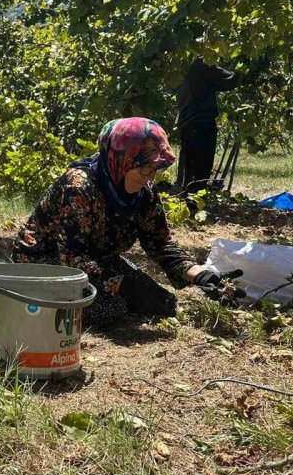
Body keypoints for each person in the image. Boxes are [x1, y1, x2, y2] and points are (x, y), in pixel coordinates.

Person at [13, 118, 242, 328]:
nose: (150, 176)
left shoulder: (144, 191)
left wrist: (199, 274)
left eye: (155, 169)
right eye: (144, 168)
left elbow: (160, 243)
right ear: (122, 160)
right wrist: (124, 285)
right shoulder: (80, 188)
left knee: (164, 304)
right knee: (111, 308)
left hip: (98, 259)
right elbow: (72, 258)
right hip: (48, 261)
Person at [175, 58, 241, 192]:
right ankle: (196, 200)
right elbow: (230, 81)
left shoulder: (186, 64)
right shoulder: (205, 64)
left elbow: (218, 85)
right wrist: (243, 70)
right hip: (201, 123)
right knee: (202, 165)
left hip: (186, 122)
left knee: (189, 164)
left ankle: (188, 198)